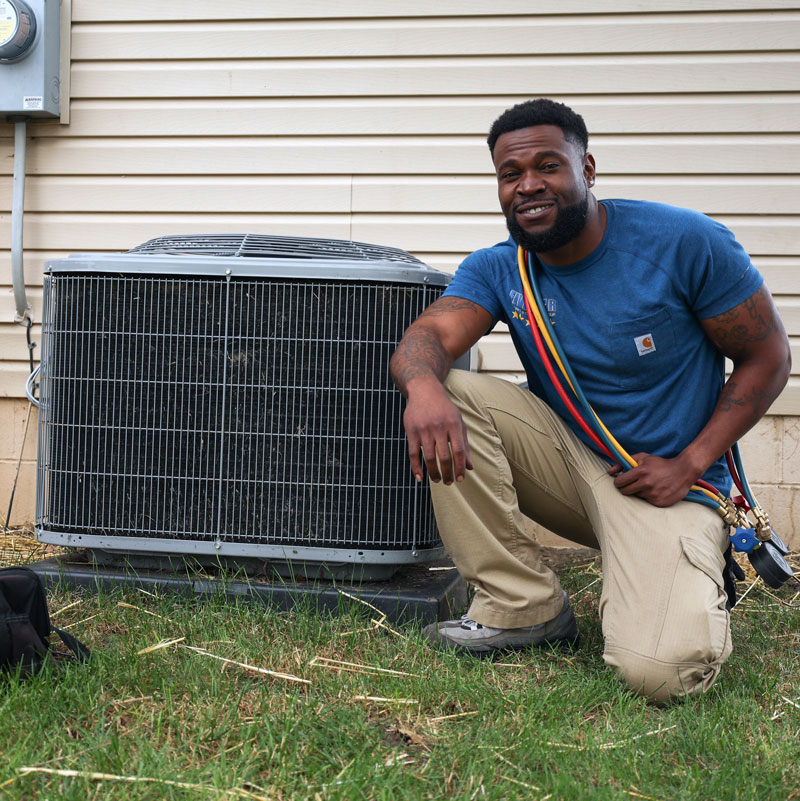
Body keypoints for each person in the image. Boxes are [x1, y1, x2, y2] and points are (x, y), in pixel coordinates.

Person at [389, 98, 791, 703]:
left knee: (662, 672)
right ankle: (520, 606)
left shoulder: (684, 241)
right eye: (510, 174)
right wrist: (421, 387)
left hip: (670, 483)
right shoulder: (502, 268)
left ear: (588, 168)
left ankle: (682, 576)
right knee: (449, 388)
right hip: (571, 466)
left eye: (548, 166)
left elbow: (769, 357)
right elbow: (427, 339)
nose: (529, 186)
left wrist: (689, 461)